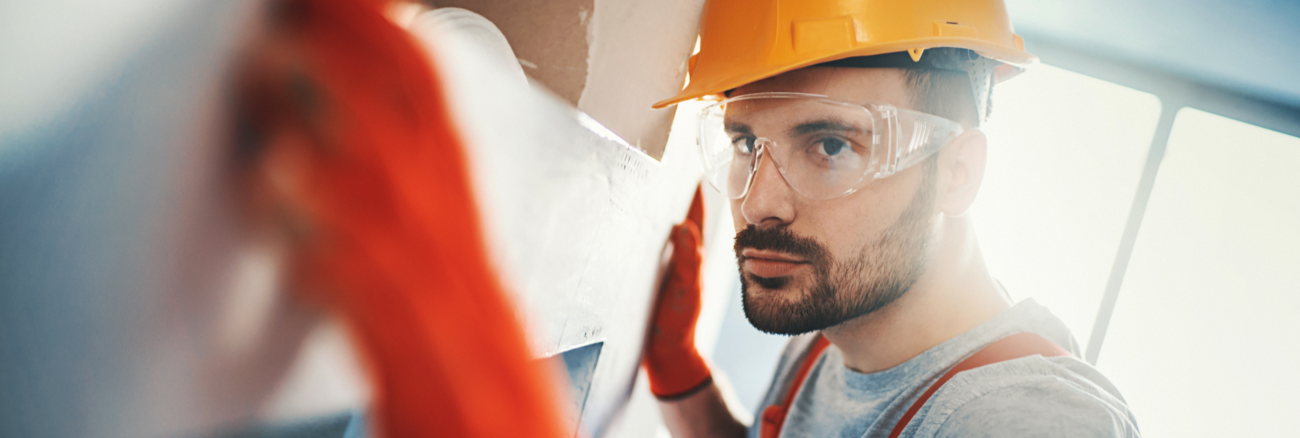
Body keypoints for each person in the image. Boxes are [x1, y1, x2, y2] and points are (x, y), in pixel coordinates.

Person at [640, 1, 1141, 437]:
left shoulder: (1032, 420)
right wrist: (679, 373)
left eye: (830, 146)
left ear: (957, 173)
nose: (757, 204)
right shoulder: (834, 323)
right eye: (747, 143)